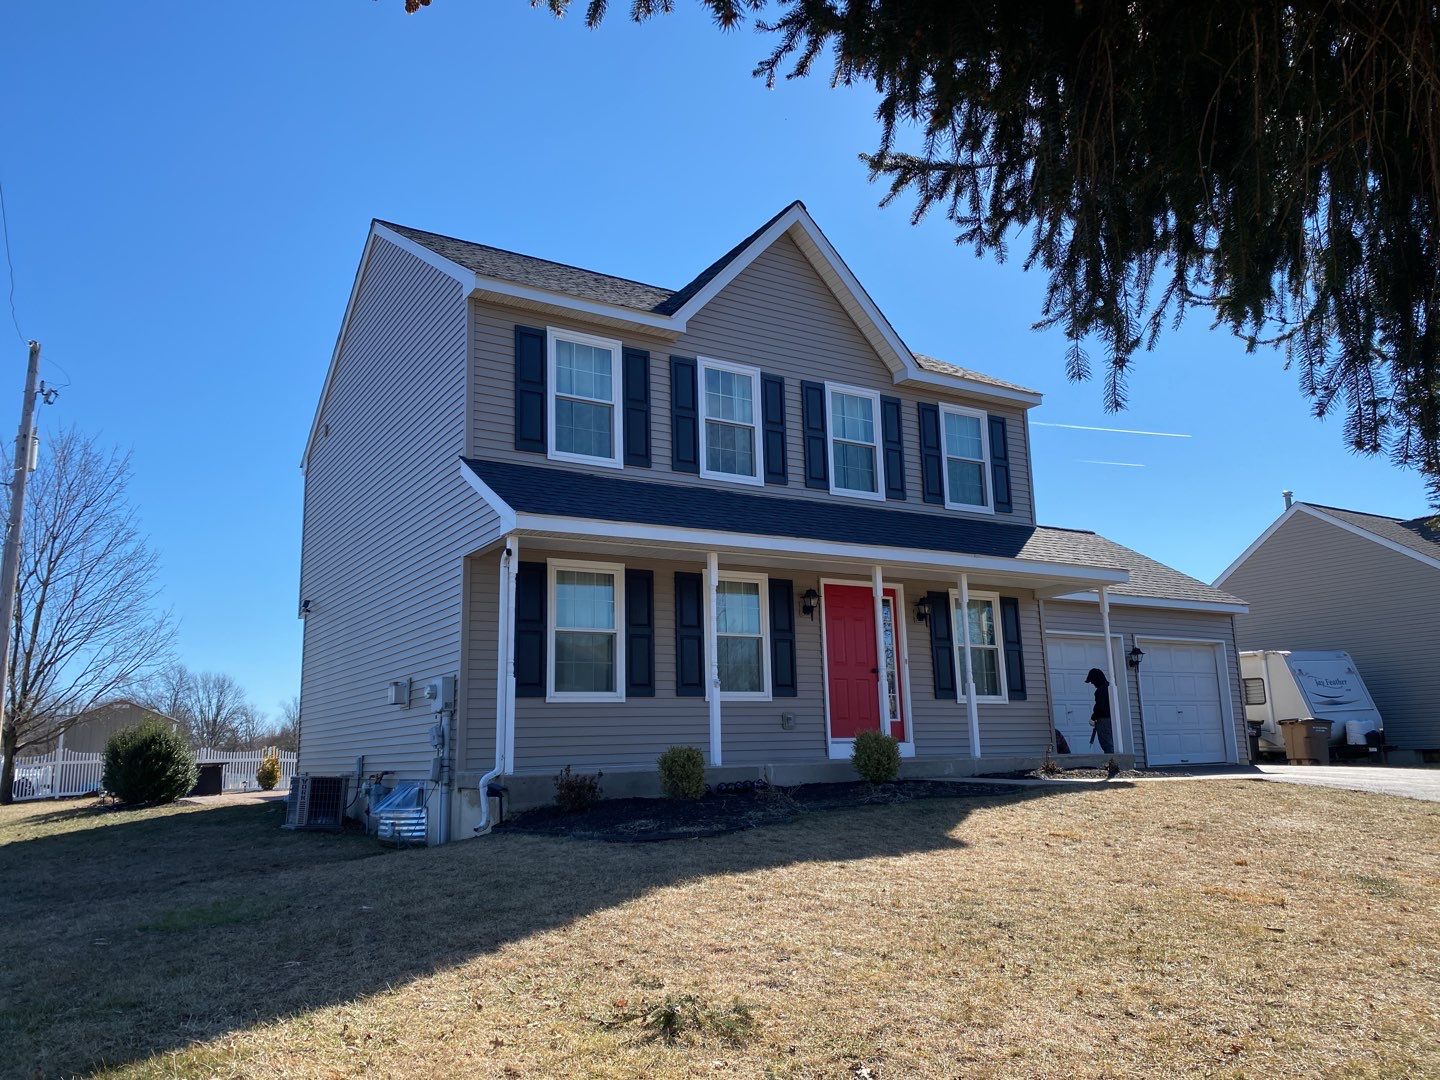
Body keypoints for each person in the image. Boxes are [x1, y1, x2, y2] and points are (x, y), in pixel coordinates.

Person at [1084, 668, 1114, 754]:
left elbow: (1100, 707)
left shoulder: (1101, 691)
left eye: (1092, 681)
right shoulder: (1109, 687)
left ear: (1096, 679)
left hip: (1104, 720)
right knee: (1111, 742)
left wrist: (1093, 718)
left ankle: (1112, 764)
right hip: (1112, 719)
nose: (1092, 683)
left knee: (1107, 744)